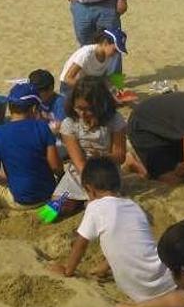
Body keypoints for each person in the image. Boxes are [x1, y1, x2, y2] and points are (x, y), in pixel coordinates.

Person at [50, 158, 184, 306]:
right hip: (169, 280)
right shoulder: (133, 206)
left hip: (141, 293)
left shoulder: (94, 207)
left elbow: (81, 244)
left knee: (50, 210)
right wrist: (104, 266)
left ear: (90, 189)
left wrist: (68, 270)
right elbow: (130, 242)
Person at [0, 83, 63, 209]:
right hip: (49, 195)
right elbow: (56, 166)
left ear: (10, 108)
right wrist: (61, 179)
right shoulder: (43, 127)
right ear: (33, 109)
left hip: (21, 201)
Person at [52, 77, 127, 210]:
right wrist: (90, 189)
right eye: (78, 108)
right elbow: (79, 163)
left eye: (87, 109)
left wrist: (103, 157)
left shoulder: (115, 120)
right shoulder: (70, 124)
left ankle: (86, 202)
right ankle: (79, 201)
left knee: (100, 208)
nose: (82, 114)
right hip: (79, 175)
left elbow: (120, 156)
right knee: (51, 211)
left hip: (105, 175)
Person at [59, 28, 127, 96]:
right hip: (71, 87)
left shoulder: (111, 56)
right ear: (105, 43)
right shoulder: (86, 53)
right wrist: (91, 89)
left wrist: (118, 91)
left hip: (90, 86)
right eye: (115, 50)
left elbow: (110, 77)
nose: (116, 54)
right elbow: (67, 79)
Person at [29, 69, 66, 133]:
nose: (35, 93)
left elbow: (58, 128)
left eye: (39, 90)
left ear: (50, 89)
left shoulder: (60, 103)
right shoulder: (36, 100)